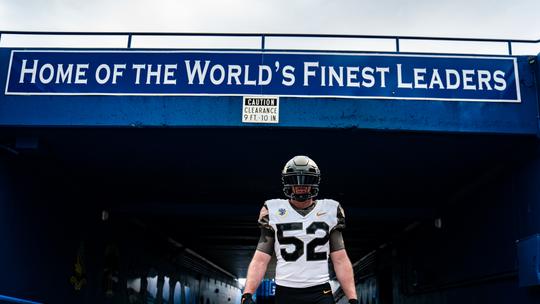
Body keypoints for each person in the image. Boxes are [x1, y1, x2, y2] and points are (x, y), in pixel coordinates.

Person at [241, 155, 358, 304]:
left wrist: (353, 298)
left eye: (306, 180)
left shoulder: (330, 209)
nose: (301, 185)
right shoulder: (274, 210)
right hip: (286, 292)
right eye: (295, 180)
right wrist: (247, 293)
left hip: (320, 291)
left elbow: (340, 259)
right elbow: (261, 259)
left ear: (314, 182)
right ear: (288, 183)